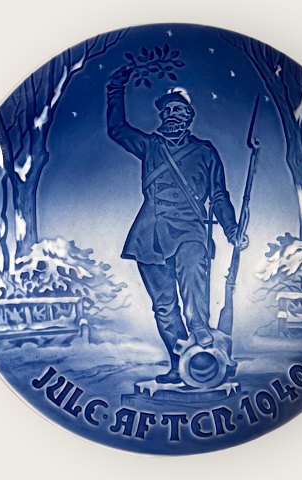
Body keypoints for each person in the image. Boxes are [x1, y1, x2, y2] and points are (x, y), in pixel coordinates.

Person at [106, 66, 248, 384]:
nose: (172, 115)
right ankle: (179, 363)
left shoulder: (205, 152)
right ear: (162, 116)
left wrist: (231, 229)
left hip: (190, 231)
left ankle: (201, 336)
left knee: (195, 292)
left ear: (188, 117)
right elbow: (117, 130)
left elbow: (219, 196)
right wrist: (115, 89)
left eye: (179, 110)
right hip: (149, 236)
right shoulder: (150, 146)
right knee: (164, 306)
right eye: (167, 110)